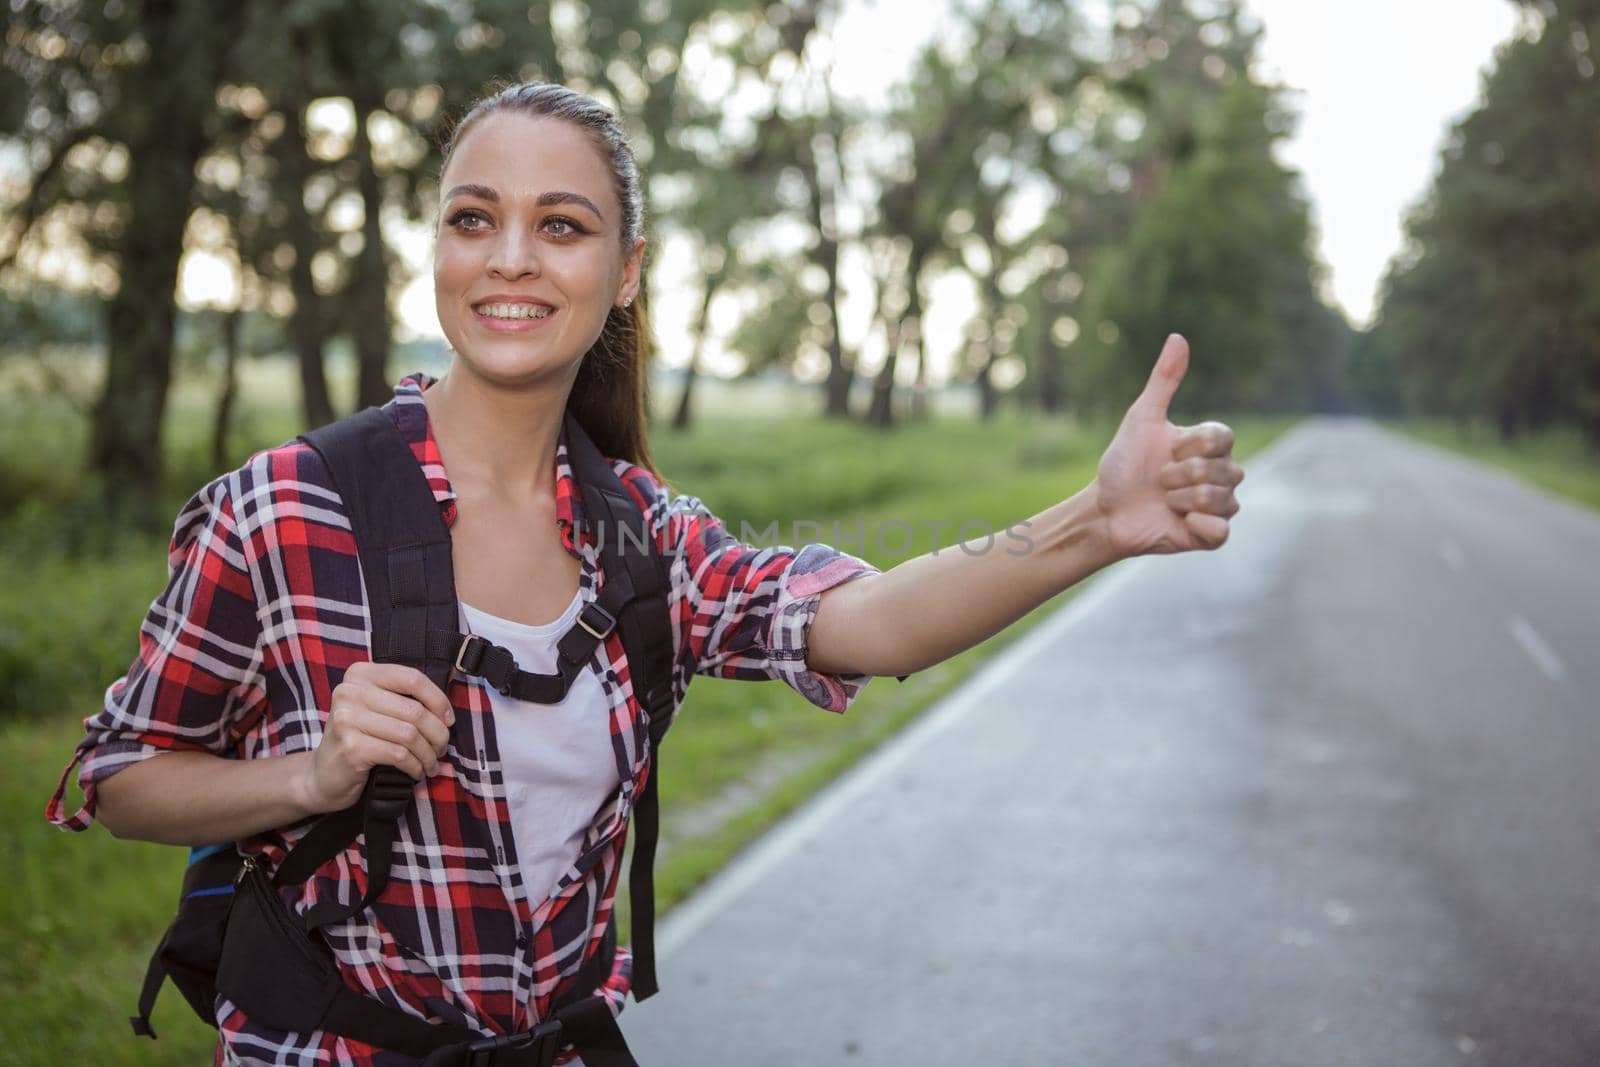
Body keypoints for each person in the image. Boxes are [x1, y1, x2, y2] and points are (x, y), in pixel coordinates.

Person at [46, 81, 1243, 1065]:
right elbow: (118, 777)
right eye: (474, 218)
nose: (510, 257)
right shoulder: (284, 507)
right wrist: (310, 774)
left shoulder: (642, 535)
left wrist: (1096, 520)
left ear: (624, 270)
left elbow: (866, 622)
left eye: (561, 225)